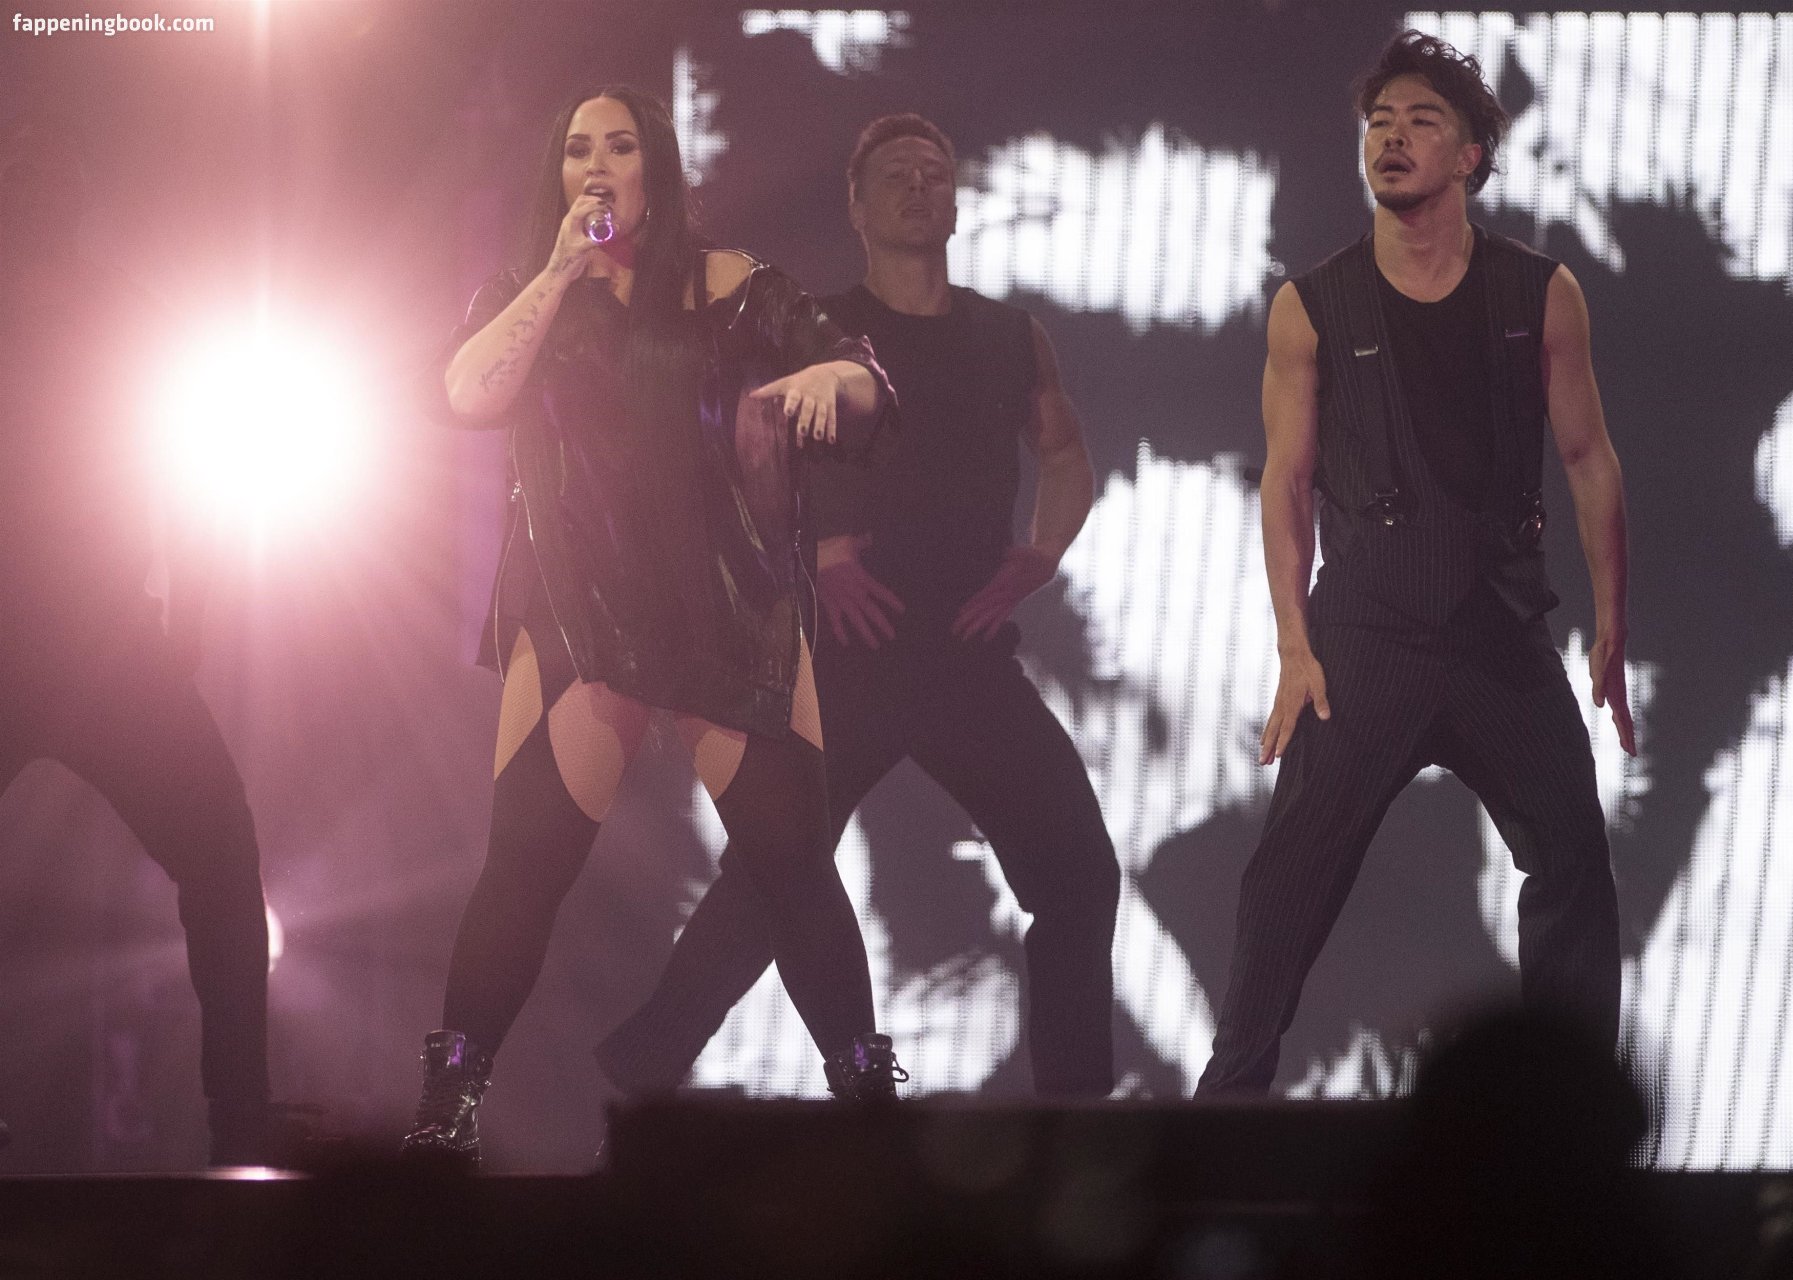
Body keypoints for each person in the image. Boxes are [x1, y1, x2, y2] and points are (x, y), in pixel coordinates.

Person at [402, 86, 902, 1167]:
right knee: (524, 865)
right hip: (580, 605)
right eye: (577, 148)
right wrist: (555, 274)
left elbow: (864, 383)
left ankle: (868, 1099)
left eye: (619, 147)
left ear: (654, 170)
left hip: (724, 602)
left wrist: (832, 374)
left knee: (790, 863)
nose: (596, 166)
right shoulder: (529, 292)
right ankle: (447, 1110)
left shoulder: (734, 286)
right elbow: (463, 396)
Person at [597, 114, 1121, 1098]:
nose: (919, 187)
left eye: (935, 172)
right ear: (856, 205)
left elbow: (1063, 453)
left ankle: (1077, 1113)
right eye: (895, 175)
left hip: (966, 656)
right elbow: (744, 454)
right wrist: (822, 550)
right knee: (769, 880)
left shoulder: (1009, 336)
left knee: (1079, 878)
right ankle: (639, 1066)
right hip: (842, 658)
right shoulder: (822, 327)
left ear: (956, 202)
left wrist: (1042, 553)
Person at [1196, 30, 1633, 1094]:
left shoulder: (1539, 292)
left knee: (1572, 859)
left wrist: (1611, 623)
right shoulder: (1311, 304)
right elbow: (1286, 480)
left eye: (1419, 121)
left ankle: (1565, 1117)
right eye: (1377, 123)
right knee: (1288, 875)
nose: (1390, 139)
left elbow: (1588, 459)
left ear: (1471, 155)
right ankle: (1229, 1099)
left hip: (1498, 627)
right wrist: (1293, 645)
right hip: (1365, 634)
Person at [0, 119, 273, 1163]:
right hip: (96, 642)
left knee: (223, 856)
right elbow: (197, 473)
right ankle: (239, 1117)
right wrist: (184, 617)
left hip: (104, 642)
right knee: (223, 859)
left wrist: (185, 615)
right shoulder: (125, 312)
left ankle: (242, 1117)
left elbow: (193, 470)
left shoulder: (127, 316)